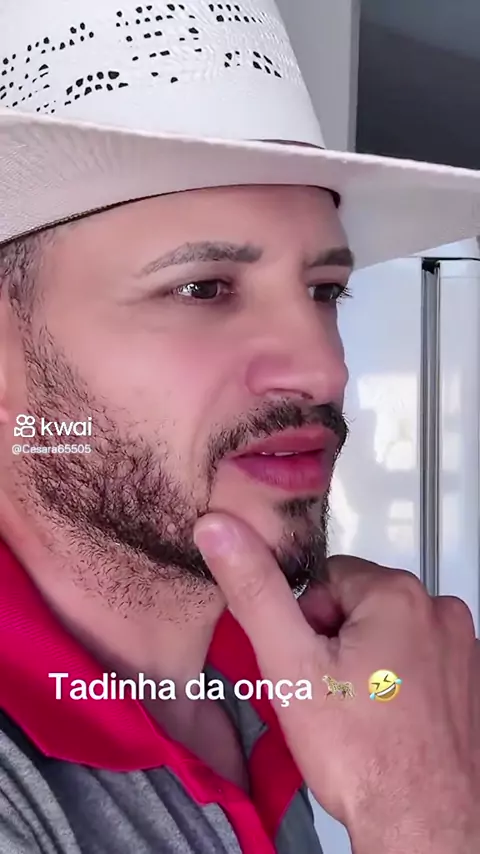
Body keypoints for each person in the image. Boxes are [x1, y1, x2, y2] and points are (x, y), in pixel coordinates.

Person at [0, 1, 479, 852]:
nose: (322, 369)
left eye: (325, 291)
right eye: (203, 288)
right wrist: (423, 816)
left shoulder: (296, 683)